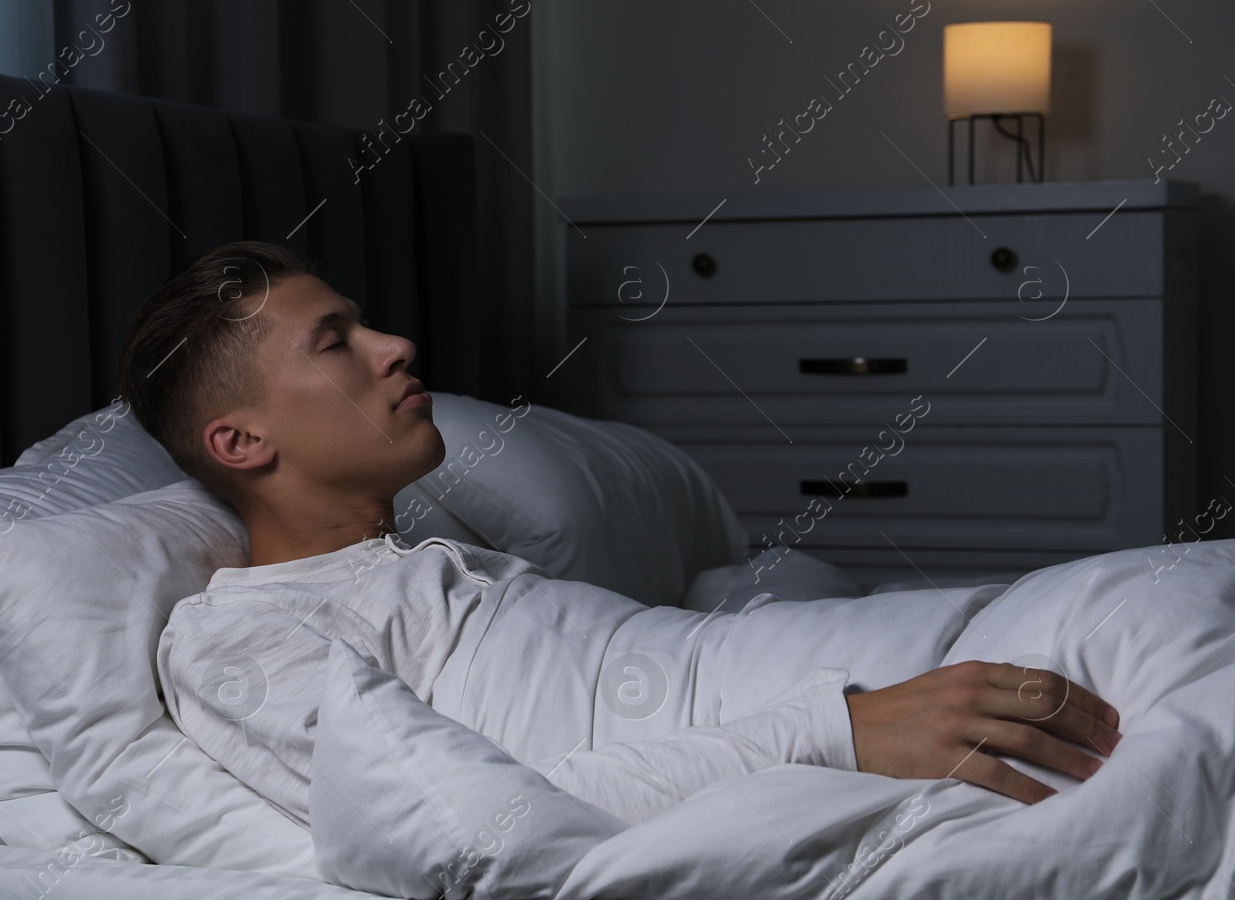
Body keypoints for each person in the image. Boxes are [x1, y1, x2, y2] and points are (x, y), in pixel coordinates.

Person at [116, 240, 1122, 829]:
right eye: (335, 341)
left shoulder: (444, 565)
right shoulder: (233, 641)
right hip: (838, 713)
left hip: (845, 663)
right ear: (239, 439)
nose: (394, 346)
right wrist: (837, 729)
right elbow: (466, 822)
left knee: (1150, 601)